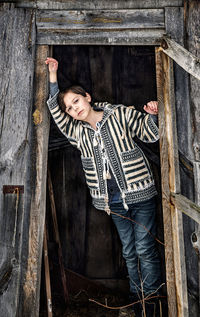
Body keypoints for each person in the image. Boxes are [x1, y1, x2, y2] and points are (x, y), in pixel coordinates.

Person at [45, 57, 162, 317]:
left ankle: (152, 305)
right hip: (114, 202)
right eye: (70, 109)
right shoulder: (77, 133)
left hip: (140, 193)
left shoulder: (118, 114)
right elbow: (55, 112)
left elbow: (149, 132)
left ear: (87, 97)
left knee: (144, 248)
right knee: (130, 252)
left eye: (76, 101)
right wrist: (53, 76)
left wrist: (154, 114)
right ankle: (136, 302)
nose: (74, 109)